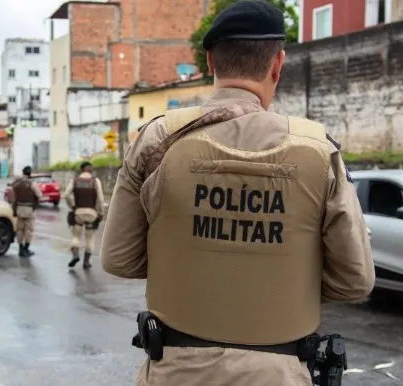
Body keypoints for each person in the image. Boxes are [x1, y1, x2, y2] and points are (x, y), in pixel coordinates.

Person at [99, 1, 375, 385]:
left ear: (211, 61)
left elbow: (118, 259)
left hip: (176, 370)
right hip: (278, 373)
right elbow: (354, 281)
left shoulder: (157, 140)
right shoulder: (318, 151)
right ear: (277, 64)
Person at [63, 161, 105, 269]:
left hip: (78, 212)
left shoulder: (75, 180)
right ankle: (86, 262)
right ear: (90, 169)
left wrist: (72, 206)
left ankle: (75, 255)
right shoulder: (95, 181)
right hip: (91, 212)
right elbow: (100, 199)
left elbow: (66, 195)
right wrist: (101, 212)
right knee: (89, 237)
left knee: (76, 236)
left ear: (81, 169)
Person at [11, 165, 42, 257]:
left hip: (19, 208)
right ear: (30, 173)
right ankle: (26, 248)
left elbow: (11, 194)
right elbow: (39, 195)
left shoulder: (16, 183)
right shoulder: (31, 184)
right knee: (28, 229)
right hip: (29, 208)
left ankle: (20, 249)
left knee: (20, 230)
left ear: (22, 172)